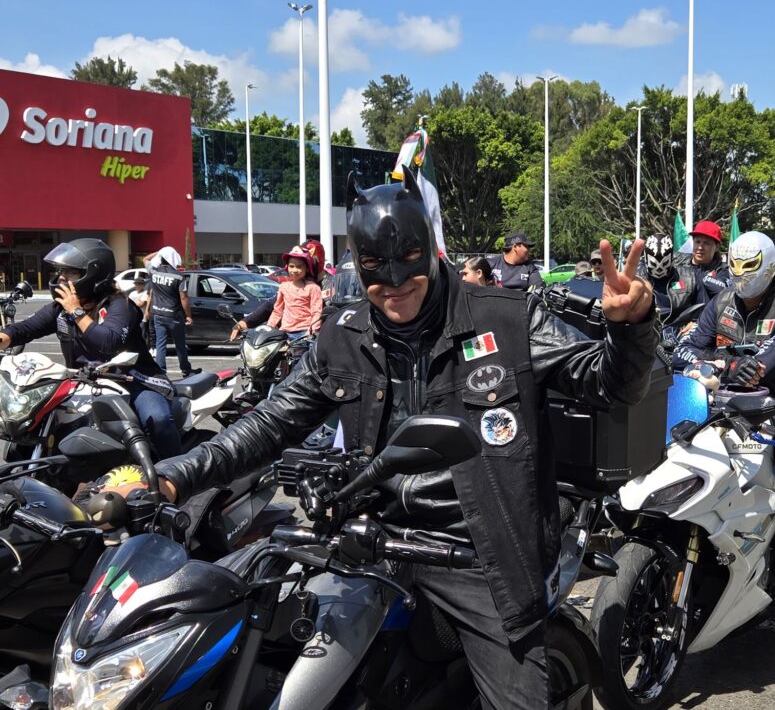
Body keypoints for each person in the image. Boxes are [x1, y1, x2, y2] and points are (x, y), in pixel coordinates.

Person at [126, 169, 656, 709]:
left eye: (409, 260)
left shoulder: (509, 319)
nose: (395, 281)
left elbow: (611, 385)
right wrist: (173, 476)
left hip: (480, 558)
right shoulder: (342, 335)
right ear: (358, 264)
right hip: (368, 543)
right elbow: (271, 422)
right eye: (376, 267)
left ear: (430, 249)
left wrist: (630, 326)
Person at [674, 230, 775, 586]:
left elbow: (764, 365)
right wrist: (720, 365)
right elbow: (685, 349)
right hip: (722, 405)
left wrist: (713, 364)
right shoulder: (721, 302)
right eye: (735, 266)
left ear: (767, 267)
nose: (741, 275)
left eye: (749, 267)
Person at [0, 239, 181, 459]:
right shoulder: (61, 308)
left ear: (93, 274)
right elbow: (25, 329)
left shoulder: (119, 305)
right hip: (85, 383)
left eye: (70, 273)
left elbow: (109, 341)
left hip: (135, 381)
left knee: (158, 420)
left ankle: (172, 472)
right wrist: (5, 338)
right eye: (60, 272)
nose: (61, 279)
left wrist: (76, 312)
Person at [143, 246, 195, 378]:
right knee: (180, 344)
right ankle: (186, 370)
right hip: (174, 315)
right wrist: (188, 316)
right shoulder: (179, 276)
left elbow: (145, 259)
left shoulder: (153, 271)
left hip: (158, 314)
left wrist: (159, 252)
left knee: (160, 344)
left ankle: (161, 372)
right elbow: (184, 298)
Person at [268, 246, 322, 339]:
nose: (295, 270)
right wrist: (268, 328)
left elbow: (316, 312)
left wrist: (312, 332)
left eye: (299, 267)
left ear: (307, 268)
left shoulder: (313, 288)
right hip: (285, 332)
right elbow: (277, 311)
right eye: (291, 266)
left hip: (304, 333)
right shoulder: (283, 287)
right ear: (287, 267)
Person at [673, 220, 730, 303]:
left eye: (706, 243)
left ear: (717, 247)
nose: (700, 247)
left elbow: (722, 290)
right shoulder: (677, 263)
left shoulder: (722, 270)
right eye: (697, 242)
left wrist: (700, 277)